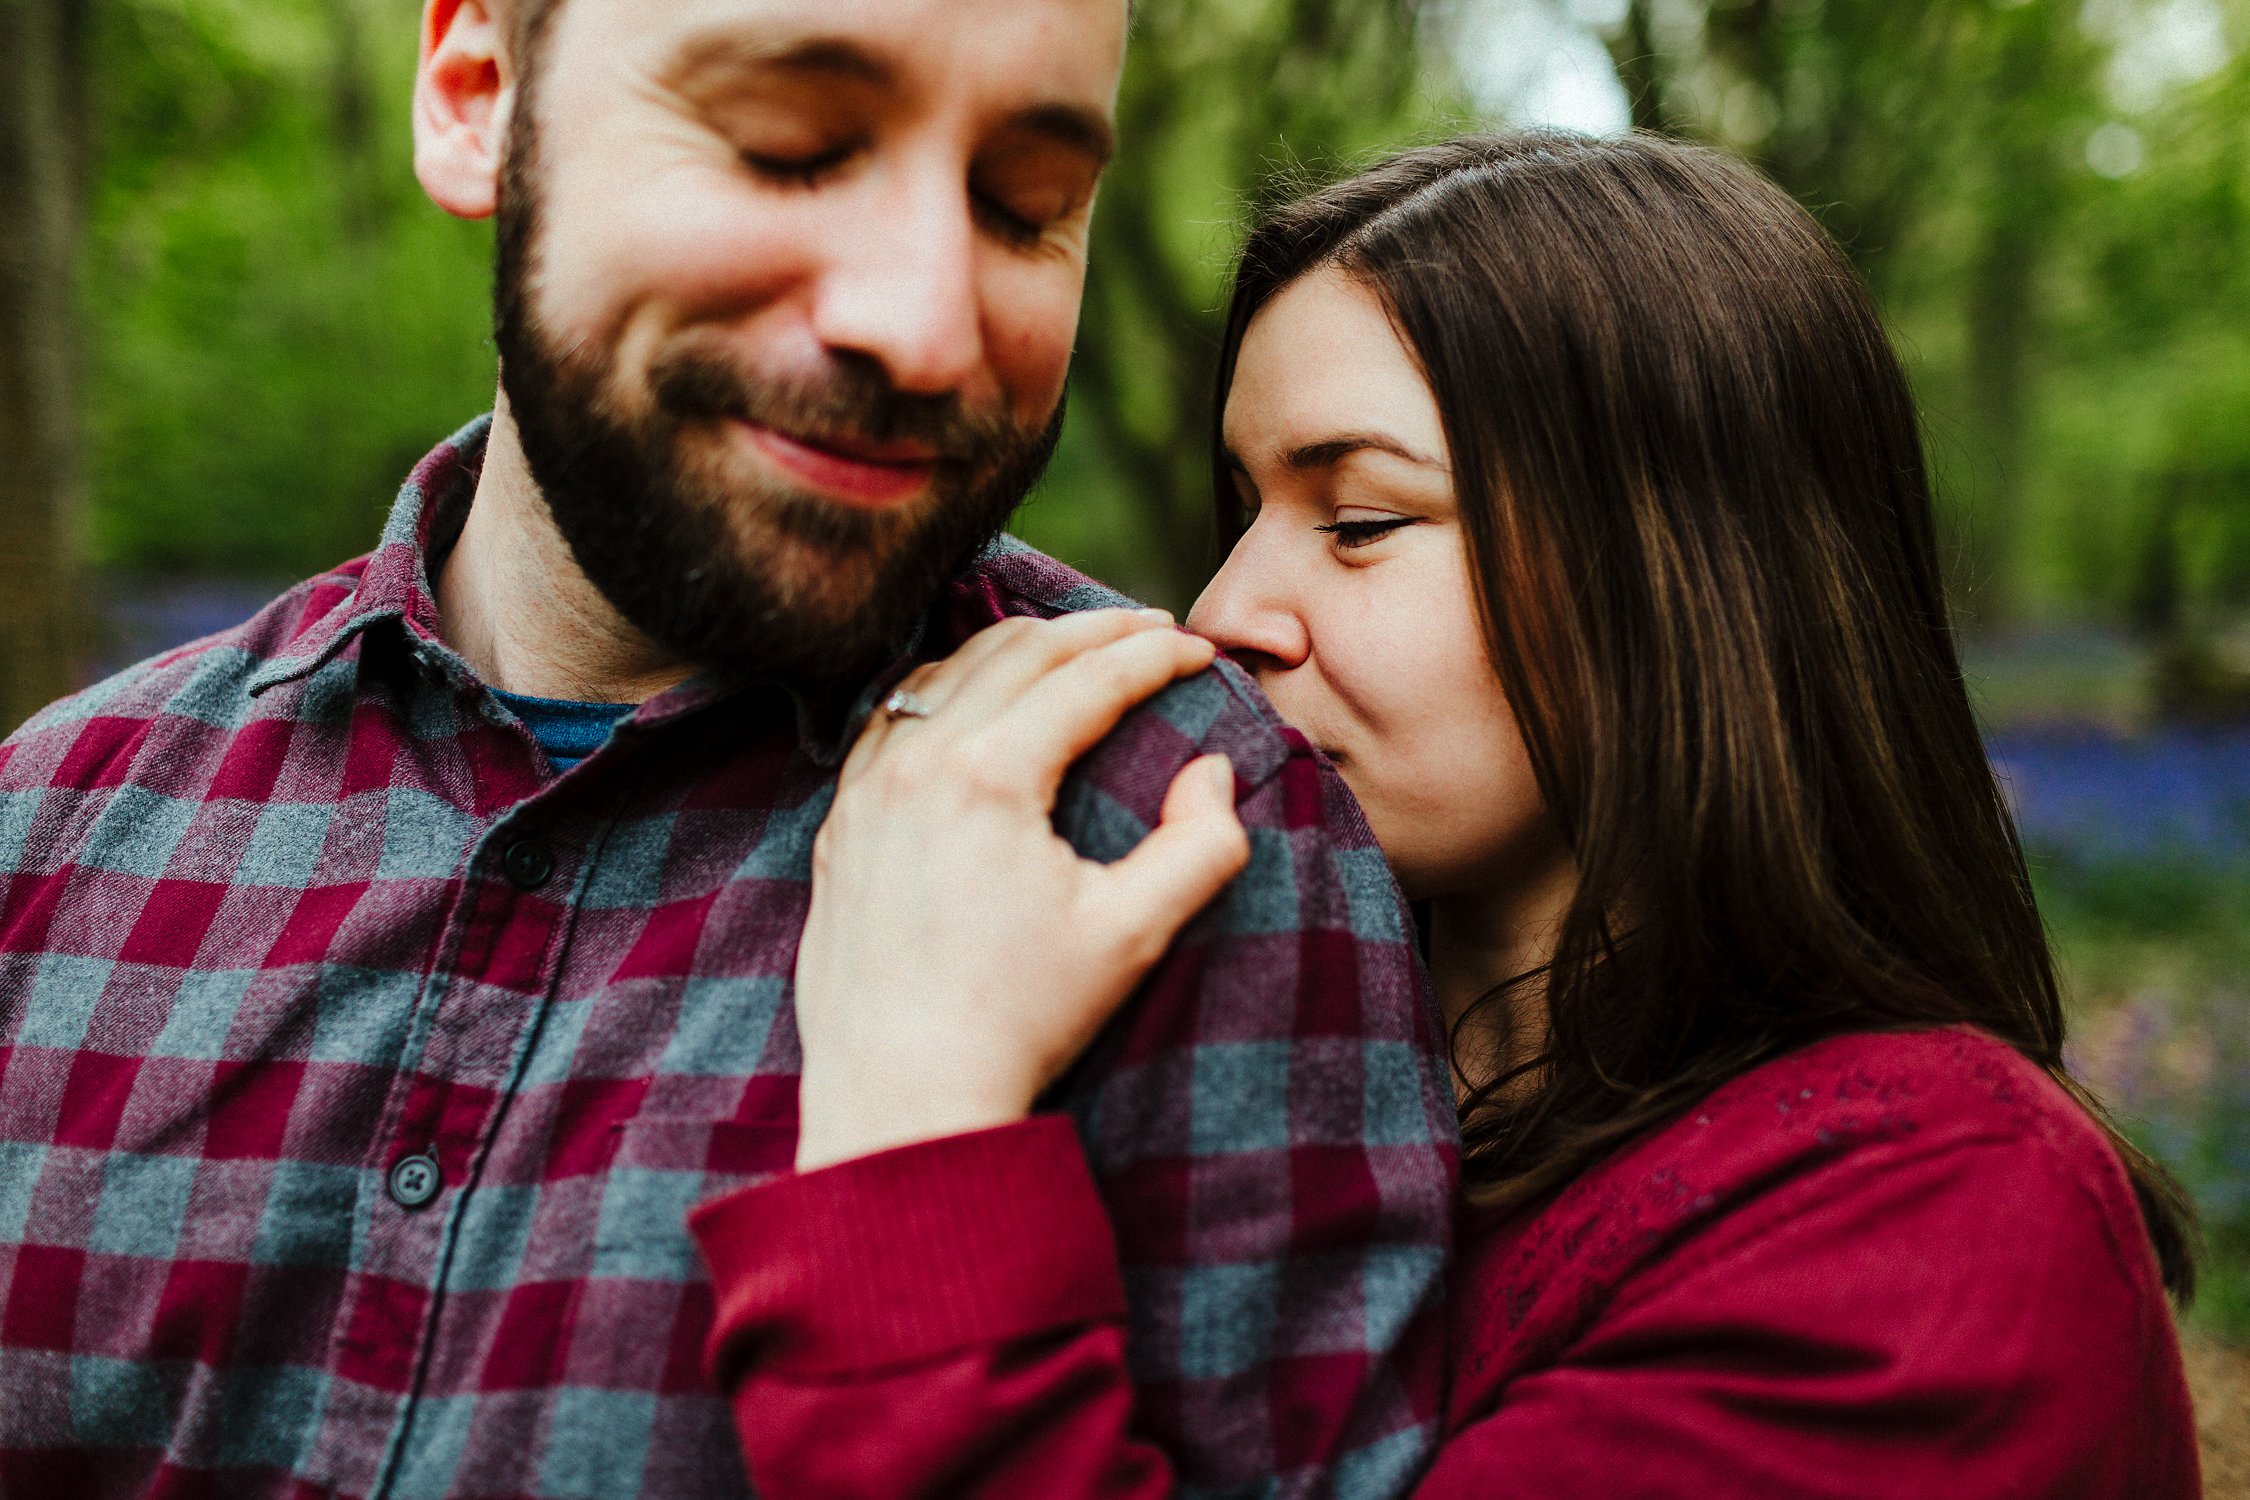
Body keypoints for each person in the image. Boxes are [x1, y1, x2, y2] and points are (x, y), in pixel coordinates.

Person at [0, 2, 1461, 1496]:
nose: (923, 326)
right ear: (476, 92)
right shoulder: (46, 827)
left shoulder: (1195, 838)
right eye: (788, 150)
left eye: (1024, 208)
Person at [695, 132, 2205, 1496]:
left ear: (1686, 579)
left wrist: (913, 1125)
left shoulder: (1937, 1219)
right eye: (1243, 517)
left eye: (1357, 521)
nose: (1222, 614)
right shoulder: (1251, 1081)